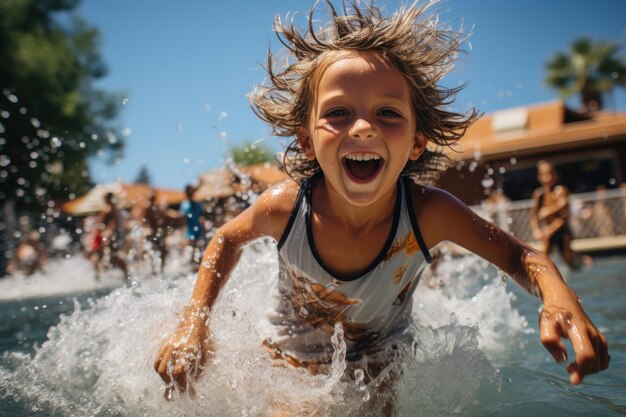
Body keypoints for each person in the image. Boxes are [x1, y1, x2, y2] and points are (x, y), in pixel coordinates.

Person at [154, 2, 609, 413]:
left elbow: (520, 256)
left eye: (388, 113)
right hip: (288, 351)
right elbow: (225, 238)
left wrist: (557, 295)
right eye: (338, 113)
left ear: (416, 142)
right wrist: (193, 324)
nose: (364, 127)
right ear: (307, 141)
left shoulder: (429, 214)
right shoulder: (286, 207)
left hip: (381, 357)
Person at [530, 160, 591, 269]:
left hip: (562, 231)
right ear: (539, 176)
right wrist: (536, 231)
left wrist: (547, 213)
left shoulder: (560, 191)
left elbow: (563, 214)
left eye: (550, 173)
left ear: (556, 175)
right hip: (547, 232)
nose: (547, 177)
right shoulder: (538, 194)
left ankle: (582, 260)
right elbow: (534, 215)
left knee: (569, 262)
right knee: (543, 259)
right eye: (544, 174)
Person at [93, 192, 128, 280]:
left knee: (109, 256)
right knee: (106, 256)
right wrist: (105, 233)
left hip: (113, 236)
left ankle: (98, 276)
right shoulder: (107, 210)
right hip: (107, 237)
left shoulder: (113, 210)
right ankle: (97, 276)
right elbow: (100, 225)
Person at [179, 184, 206, 264]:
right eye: (189, 191)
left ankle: (196, 267)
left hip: (199, 230)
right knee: (192, 251)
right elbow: (181, 219)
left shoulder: (198, 205)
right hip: (189, 232)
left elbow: (202, 216)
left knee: (199, 251)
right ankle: (192, 267)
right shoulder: (184, 205)